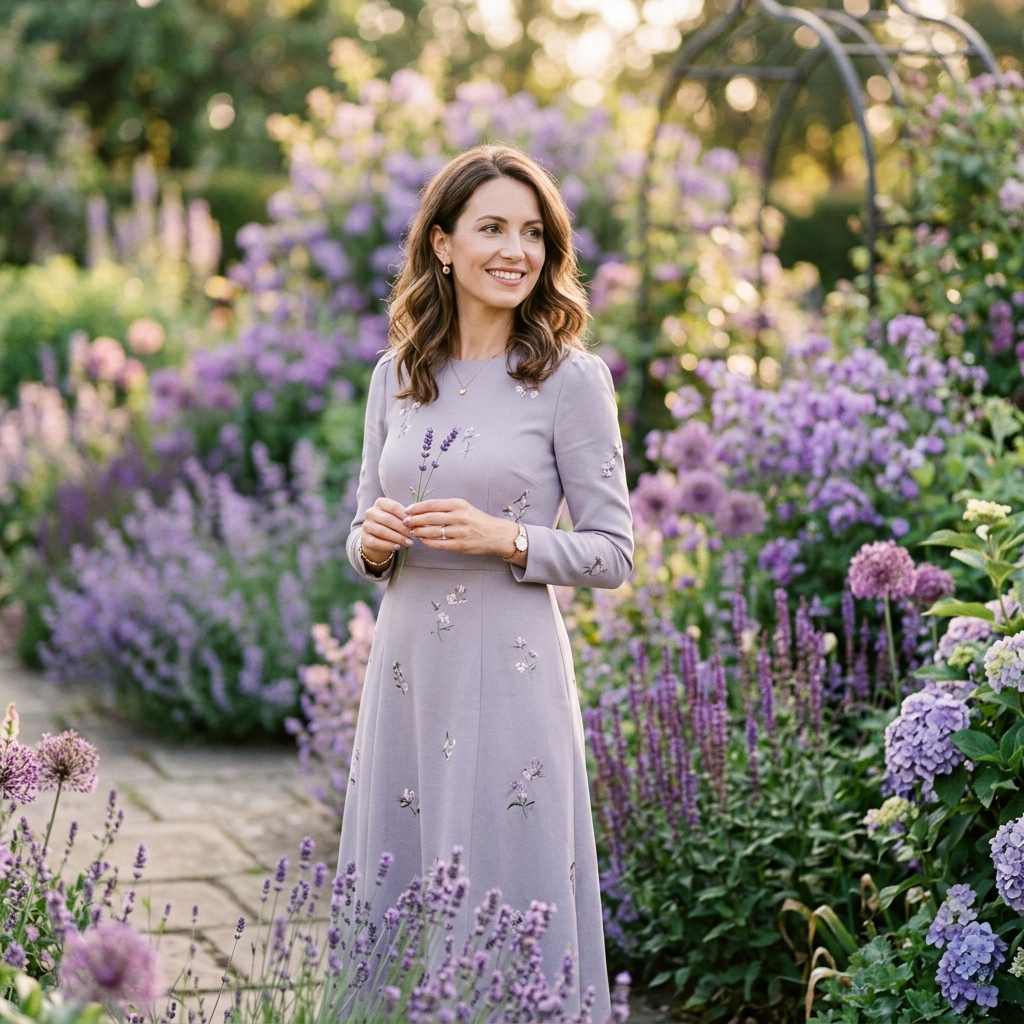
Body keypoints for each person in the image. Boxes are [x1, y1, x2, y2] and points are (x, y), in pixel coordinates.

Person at [340, 144, 633, 1018]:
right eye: (493, 228)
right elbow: (359, 531)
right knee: (403, 878)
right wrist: (375, 540)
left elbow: (614, 553)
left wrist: (508, 537)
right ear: (441, 243)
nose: (516, 250)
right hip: (405, 674)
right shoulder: (396, 376)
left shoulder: (570, 380)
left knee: (508, 882)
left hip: (510, 668)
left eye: (533, 233)